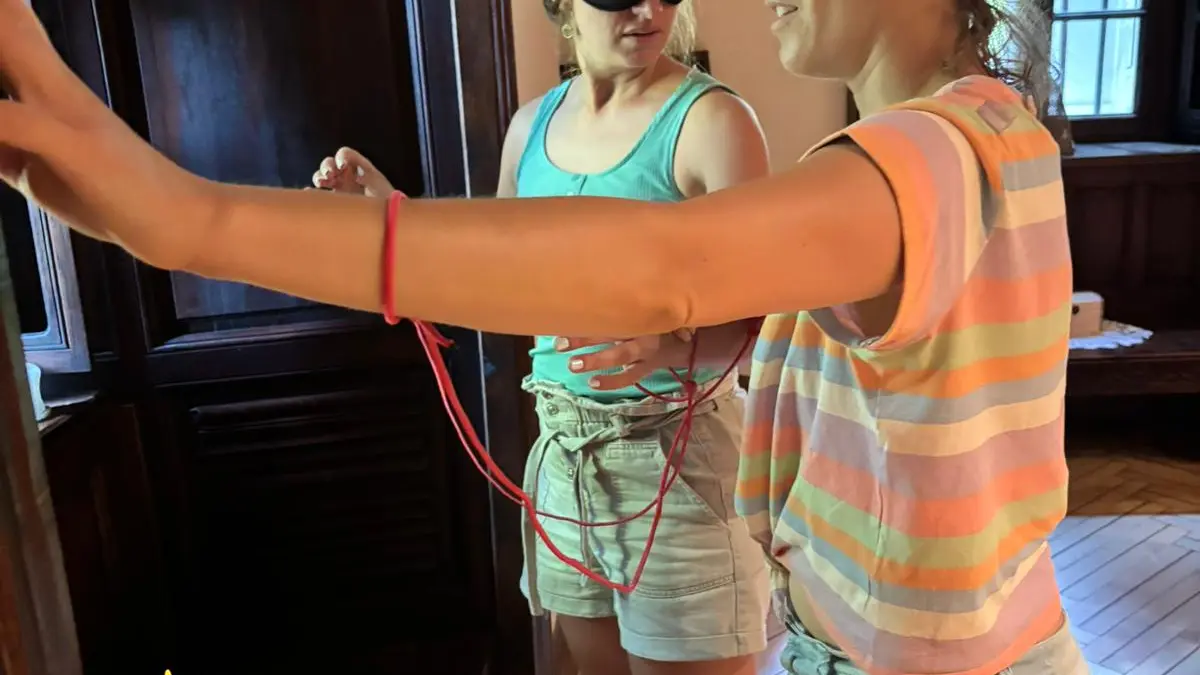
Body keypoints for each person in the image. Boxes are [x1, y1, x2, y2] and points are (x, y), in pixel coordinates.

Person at [0, 0, 1086, 673]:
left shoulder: (932, 155)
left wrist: (191, 218)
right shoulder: (985, 131)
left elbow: (663, 269)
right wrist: (389, 220)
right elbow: (551, 271)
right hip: (892, 636)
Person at [311, 2, 772, 674]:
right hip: (565, 459)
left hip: (678, 462)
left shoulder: (714, 123)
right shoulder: (530, 128)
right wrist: (389, 226)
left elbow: (770, 326)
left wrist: (669, 347)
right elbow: (497, 284)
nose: (649, 9)